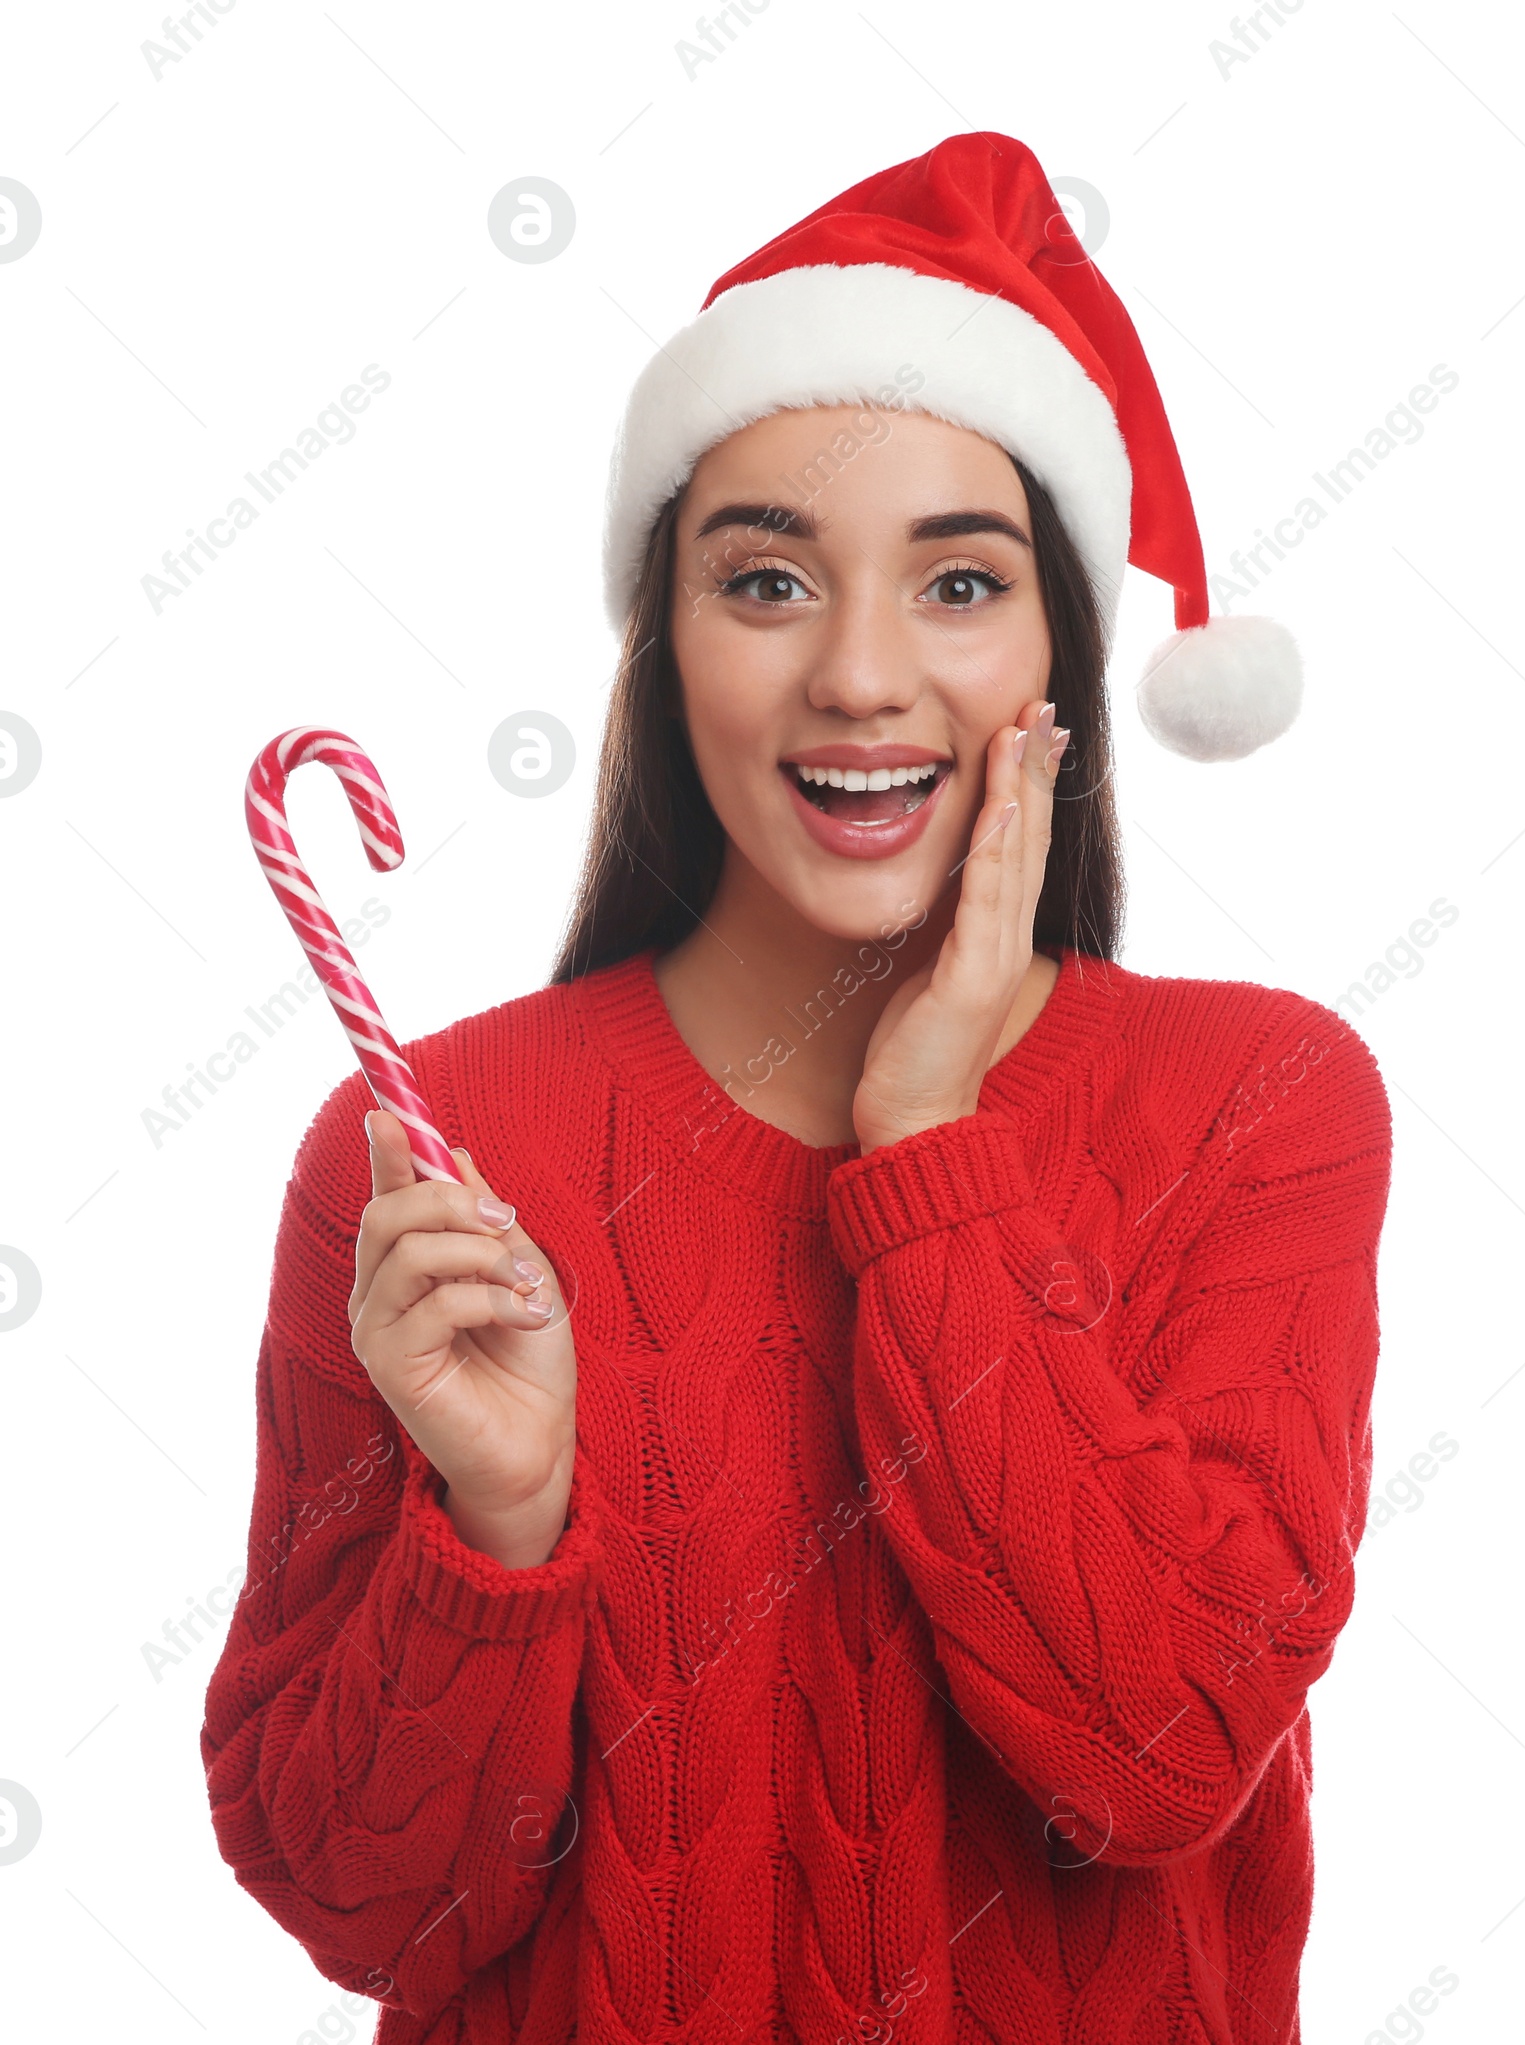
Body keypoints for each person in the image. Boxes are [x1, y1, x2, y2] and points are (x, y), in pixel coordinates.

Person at [200, 132, 1393, 2044]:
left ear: (1061, 652)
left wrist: (929, 1156)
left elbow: (1162, 1749)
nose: (857, 674)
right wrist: (497, 1529)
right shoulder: (428, 1153)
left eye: (957, 584)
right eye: (763, 578)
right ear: (665, 649)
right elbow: (354, 1899)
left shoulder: (1262, 1101)